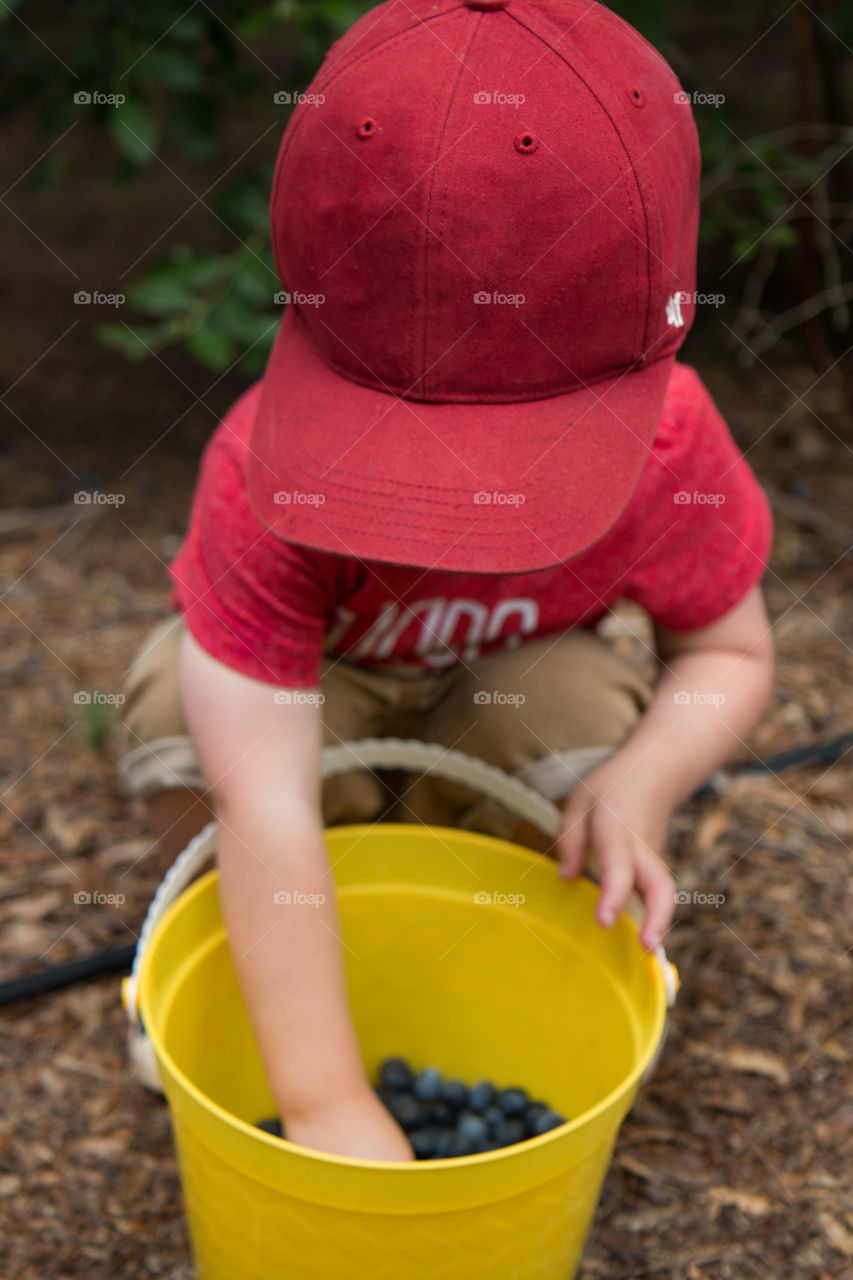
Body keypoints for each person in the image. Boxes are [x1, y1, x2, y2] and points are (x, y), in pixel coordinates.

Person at [115, 0, 774, 1161]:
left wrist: (645, 784)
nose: (464, 505)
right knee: (185, 717)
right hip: (319, 705)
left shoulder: (673, 449)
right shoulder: (259, 474)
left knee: (577, 711)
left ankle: (484, 935)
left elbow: (726, 650)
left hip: (498, 705)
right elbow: (263, 793)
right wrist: (326, 1105)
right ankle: (232, 950)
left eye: (523, 463)